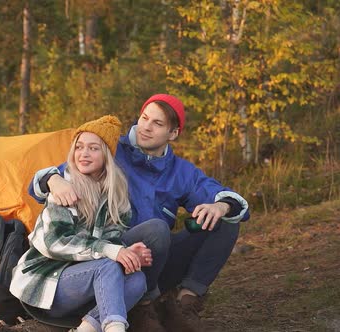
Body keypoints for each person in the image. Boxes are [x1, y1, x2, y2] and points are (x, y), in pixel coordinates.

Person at [28, 94, 250, 332]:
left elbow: (220, 195)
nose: (146, 127)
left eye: (158, 123)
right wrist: (53, 179)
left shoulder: (180, 171)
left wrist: (221, 205)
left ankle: (185, 301)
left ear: (173, 133)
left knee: (226, 221)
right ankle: (143, 307)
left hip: (155, 260)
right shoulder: (113, 149)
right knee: (156, 228)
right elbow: (68, 168)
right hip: (112, 254)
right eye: (144, 118)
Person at [10, 115, 160, 332]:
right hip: (46, 284)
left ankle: (87, 328)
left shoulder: (115, 196)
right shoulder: (63, 189)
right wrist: (113, 251)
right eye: (79, 147)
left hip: (85, 280)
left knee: (137, 281)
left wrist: (127, 251)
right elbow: (53, 242)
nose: (84, 154)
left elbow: (108, 242)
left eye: (93, 148)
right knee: (107, 265)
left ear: (107, 155)